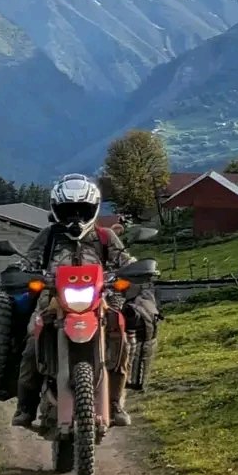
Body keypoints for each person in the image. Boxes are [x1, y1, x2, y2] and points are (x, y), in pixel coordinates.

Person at [12, 173, 156, 428]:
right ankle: (25, 406)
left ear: (94, 209)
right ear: (57, 211)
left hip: (101, 300)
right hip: (54, 301)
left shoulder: (105, 237)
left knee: (121, 341)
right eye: (69, 211)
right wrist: (21, 270)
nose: (76, 217)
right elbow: (27, 262)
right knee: (32, 344)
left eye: (82, 210)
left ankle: (114, 403)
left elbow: (126, 261)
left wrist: (137, 270)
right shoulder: (48, 237)